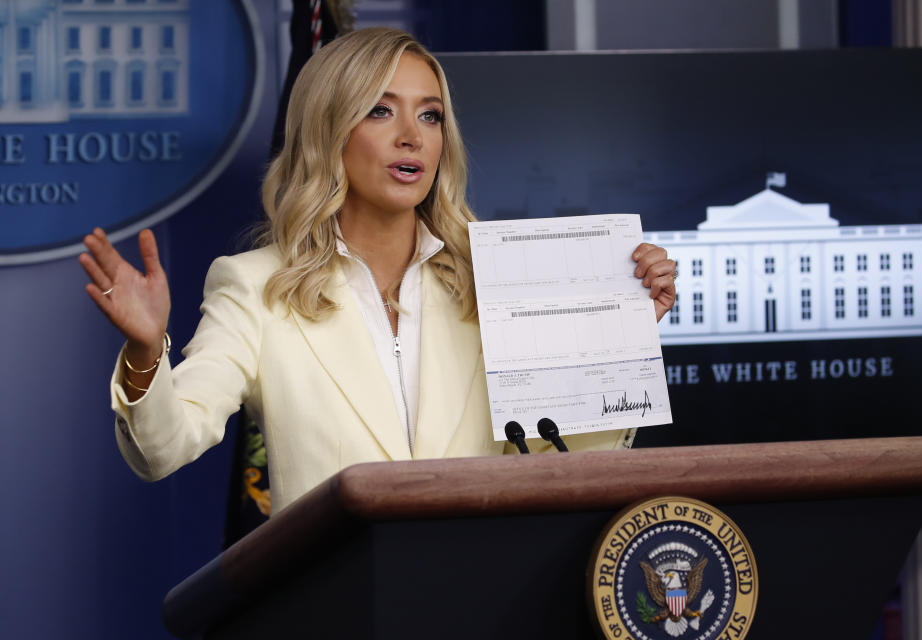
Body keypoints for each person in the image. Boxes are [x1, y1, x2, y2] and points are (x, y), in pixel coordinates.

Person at [78, 28, 677, 515]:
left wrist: (617, 338)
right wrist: (145, 349)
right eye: (381, 110)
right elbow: (165, 447)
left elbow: (562, 460)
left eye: (431, 115)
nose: (411, 136)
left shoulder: (493, 279)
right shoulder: (255, 287)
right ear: (328, 131)